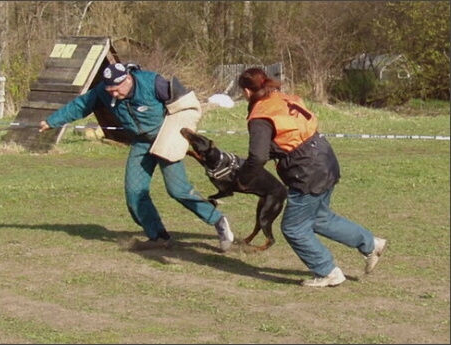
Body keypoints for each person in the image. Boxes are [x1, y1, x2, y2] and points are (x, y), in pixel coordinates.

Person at [39, 62, 234, 252]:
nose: (114, 94)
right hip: (140, 142)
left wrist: (184, 134)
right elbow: (80, 105)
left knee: (178, 190)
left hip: (167, 138)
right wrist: (52, 121)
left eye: (117, 89)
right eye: (110, 91)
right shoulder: (103, 91)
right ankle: (158, 237)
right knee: (134, 192)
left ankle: (218, 220)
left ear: (128, 78)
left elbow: (186, 105)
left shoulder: (152, 83)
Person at [236, 67, 387, 287]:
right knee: (319, 218)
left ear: (247, 92)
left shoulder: (261, 114)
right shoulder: (282, 98)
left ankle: (327, 271)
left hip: (306, 171)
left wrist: (243, 179)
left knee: (293, 228)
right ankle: (370, 243)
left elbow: (258, 156)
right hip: (325, 157)